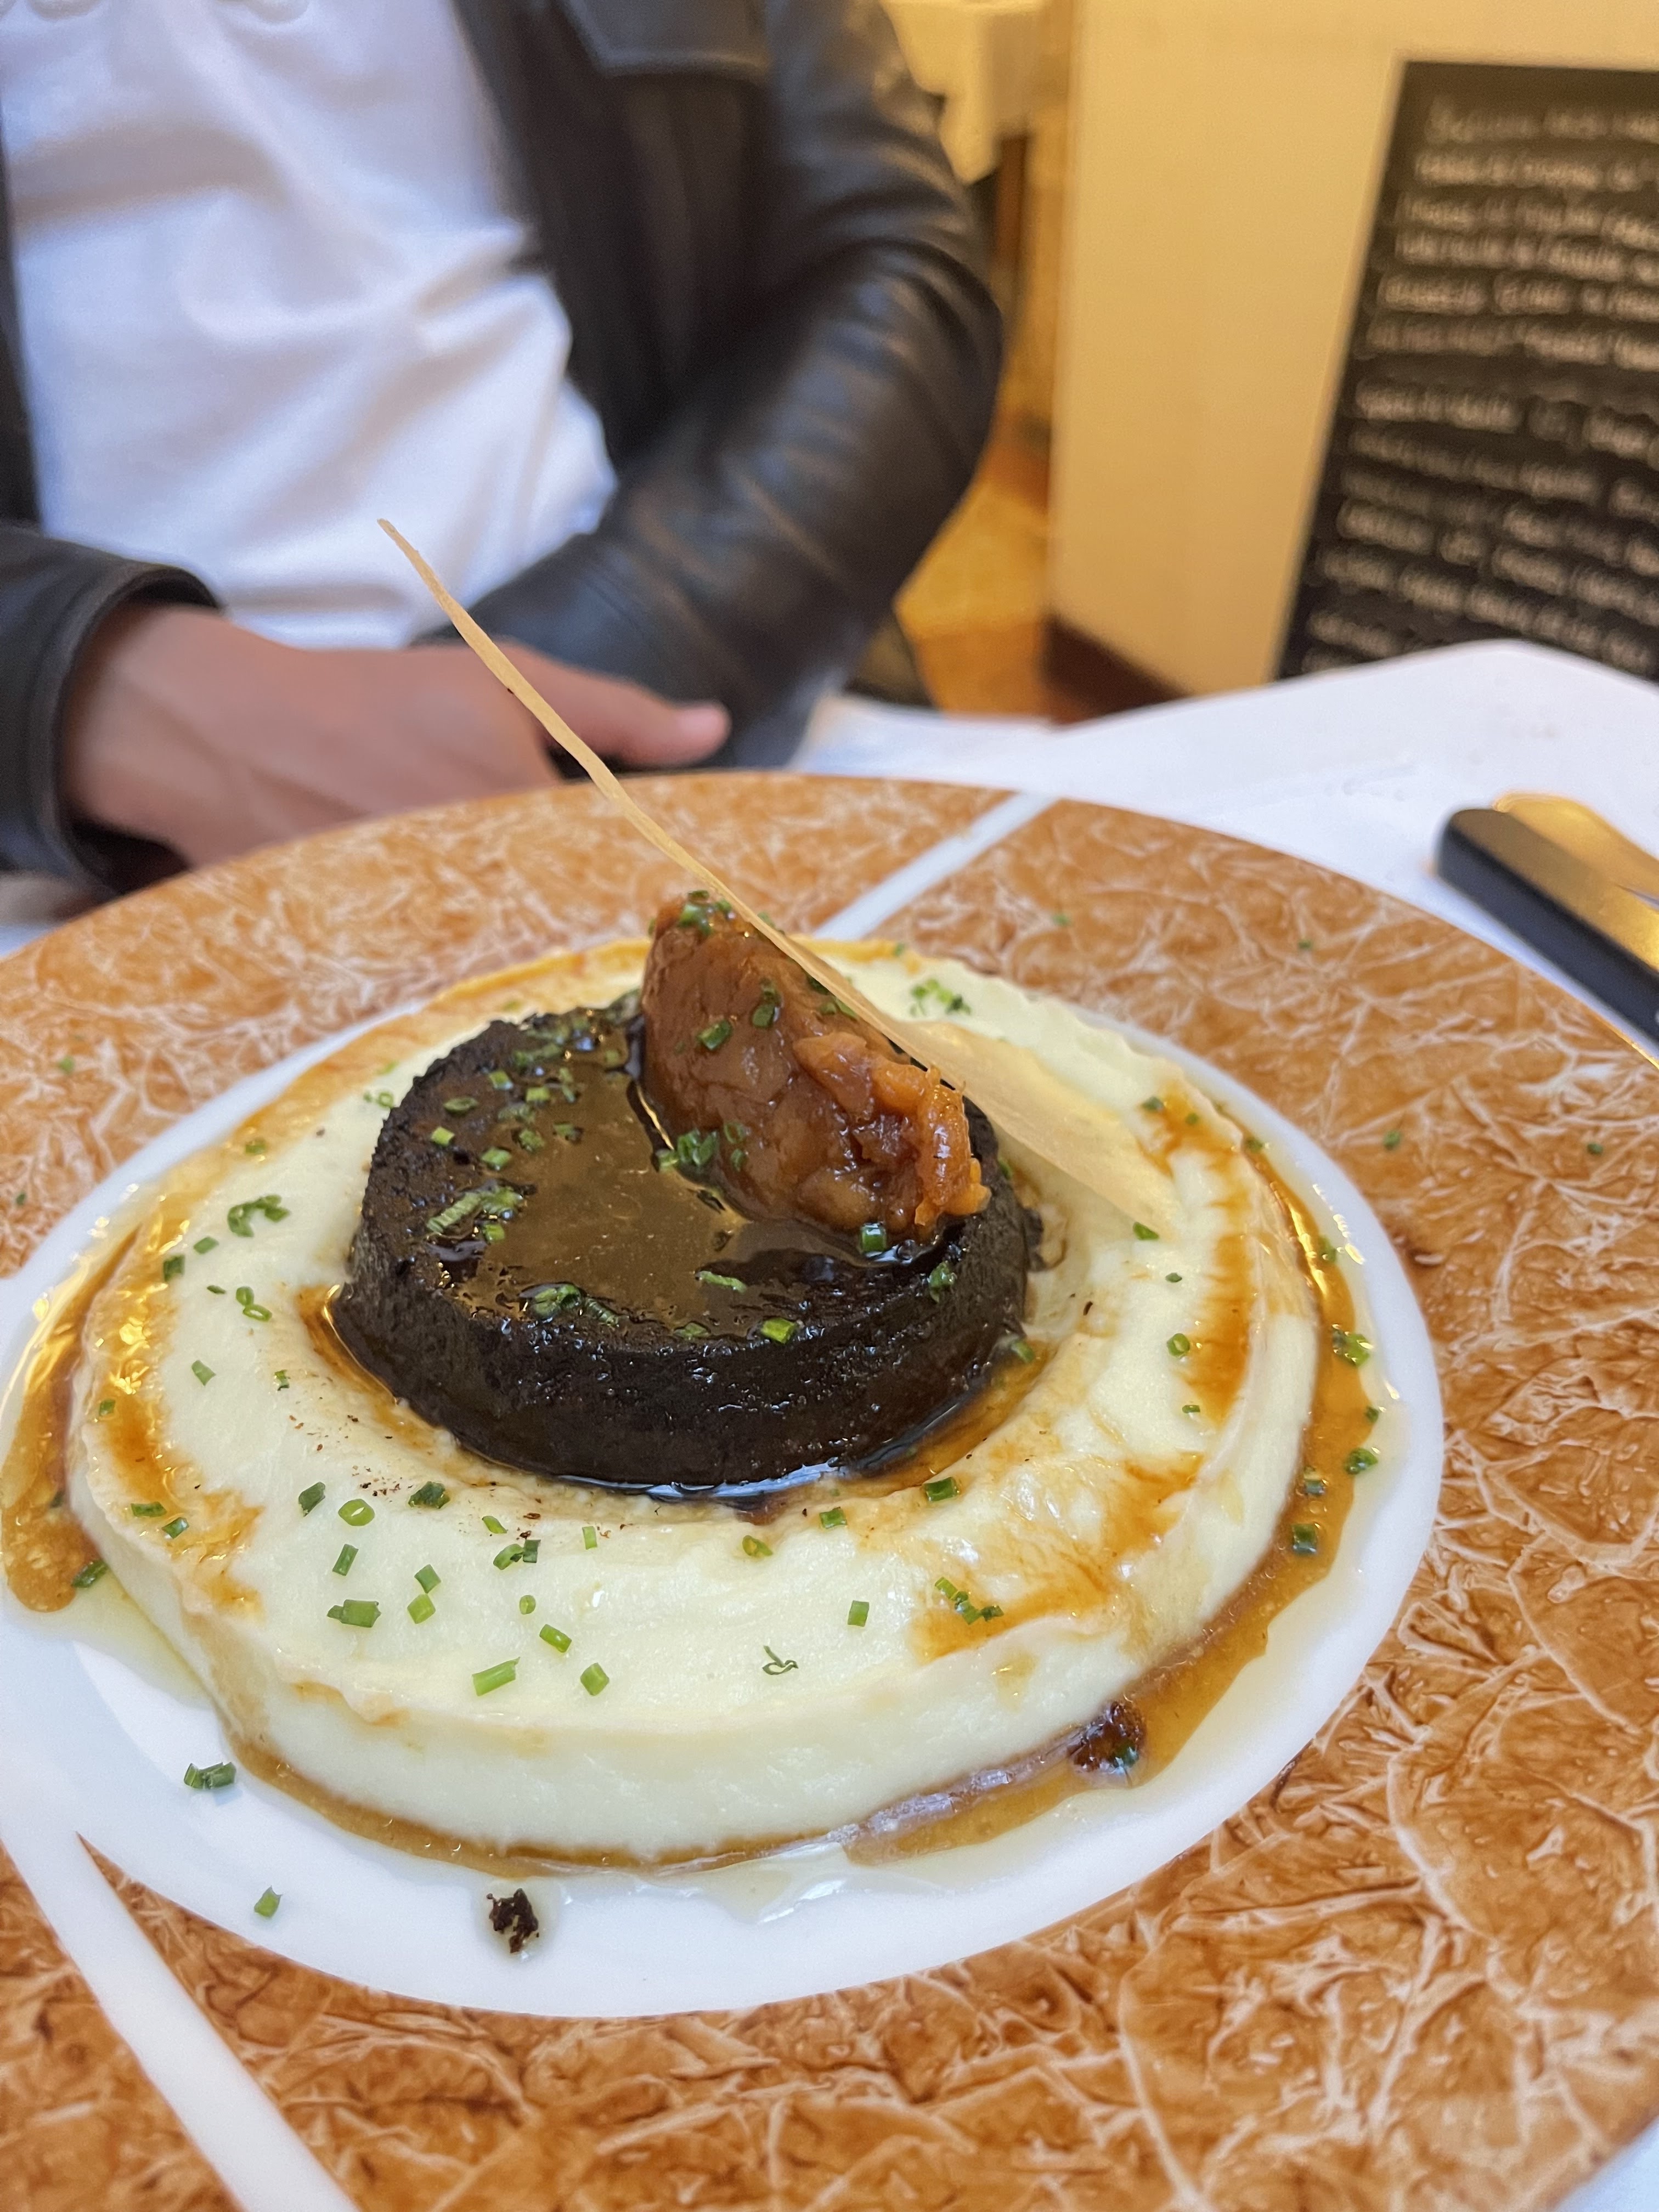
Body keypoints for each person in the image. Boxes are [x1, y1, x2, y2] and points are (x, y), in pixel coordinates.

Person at [0, 0, 999, 893]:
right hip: (83, 862)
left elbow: (891, 261)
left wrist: (582, 677)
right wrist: (88, 695)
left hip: (686, 739)